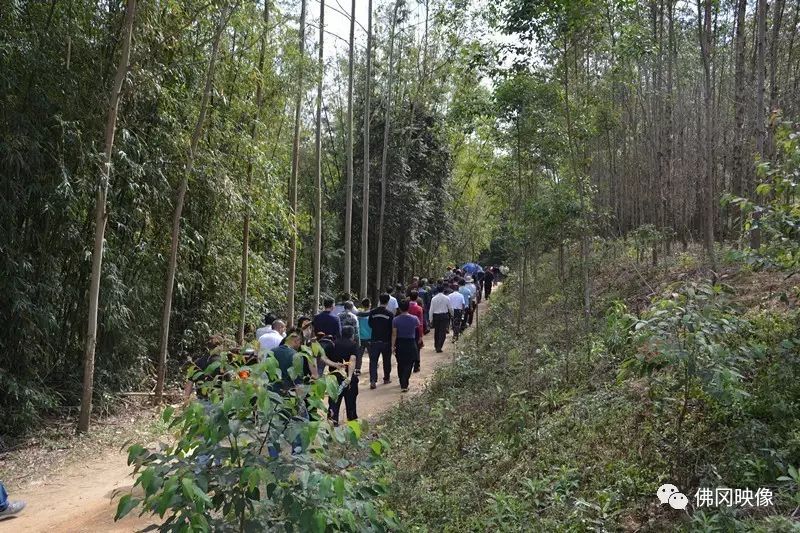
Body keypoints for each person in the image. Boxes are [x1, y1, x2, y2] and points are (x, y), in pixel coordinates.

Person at [327, 326, 359, 425]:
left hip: (334, 377)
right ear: (352, 335)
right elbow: (352, 361)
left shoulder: (333, 344)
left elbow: (325, 359)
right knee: (351, 400)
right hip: (347, 378)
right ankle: (351, 419)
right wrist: (349, 377)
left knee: (334, 401)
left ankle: (332, 421)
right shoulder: (353, 345)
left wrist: (333, 365)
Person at [392, 300, 421, 392]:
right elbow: (418, 329)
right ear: (408, 307)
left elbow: (394, 334)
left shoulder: (395, 320)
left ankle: (402, 382)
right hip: (411, 342)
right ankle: (405, 383)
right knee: (409, 363)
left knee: (400, 363)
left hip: (400, 343)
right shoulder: (414, 318)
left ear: (399, 308)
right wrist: (420, 338)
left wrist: (393, 346)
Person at [367, 293, 394, 388]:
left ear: (379, 300)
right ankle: (386, 378)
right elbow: (392, 328)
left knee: (373, 361)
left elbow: (370, 324)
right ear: (387, 301)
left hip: (374, 340)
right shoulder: (390, 314)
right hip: (386, 341)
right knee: (386, 361)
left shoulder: (372, 312)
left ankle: (373, 381)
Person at [428, 287, 453, 353]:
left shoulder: (433, 298)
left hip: (436, 316)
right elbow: (450, 308)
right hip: (444, 316)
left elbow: (431, 310)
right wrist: (452, 314)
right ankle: (439, 346)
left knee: (437, 331)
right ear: (443, 290)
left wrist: (430, 319)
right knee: (442, 332)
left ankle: (436, 345)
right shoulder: (447, 298)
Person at [408, 290, 425, 372]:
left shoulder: (406, 307)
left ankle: (409, 365)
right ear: (417, 297)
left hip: (407, 330)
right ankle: (416, 366)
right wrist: (421, 335)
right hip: (416, 330)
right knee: (417, 348)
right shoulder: (419, 309)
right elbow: (420, 323)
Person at [356, 298, 372, 376]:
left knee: (359, 355)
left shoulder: (359, 315)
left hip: (361, 338)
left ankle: (358, 369)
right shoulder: (372, 315)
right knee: (371, 354)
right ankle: (372, 367)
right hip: (370, 338)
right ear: (369, 305)